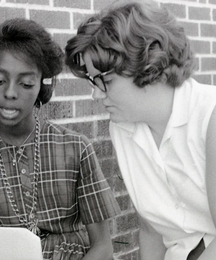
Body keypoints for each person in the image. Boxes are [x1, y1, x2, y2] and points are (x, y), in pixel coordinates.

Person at [0, 18, 120, 260]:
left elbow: (103, 248)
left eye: (26, 83)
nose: (10, 93)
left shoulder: (76, 148)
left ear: (41, 87)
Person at [65, 0, 216, 259]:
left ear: (149, 68)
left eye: (106, 81)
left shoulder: (209, 115)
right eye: (93, 81)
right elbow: (151, 228)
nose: (95, 95)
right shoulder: (122, 128)